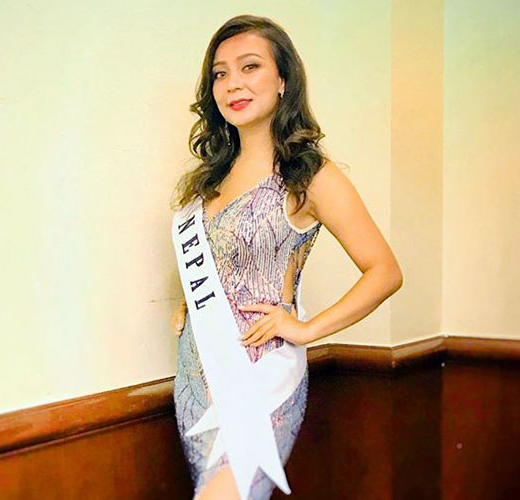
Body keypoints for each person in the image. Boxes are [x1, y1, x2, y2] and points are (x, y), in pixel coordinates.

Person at [169, 14, 403, 500]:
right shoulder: (208, 180)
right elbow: (220, 265)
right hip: (196, 376)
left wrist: (307, 329)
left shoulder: (309, 175)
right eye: (220, 73)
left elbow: (385, 271)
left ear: (283, 80)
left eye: (250, 66)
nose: (233, 83)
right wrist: (185, 301)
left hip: (262, 378)